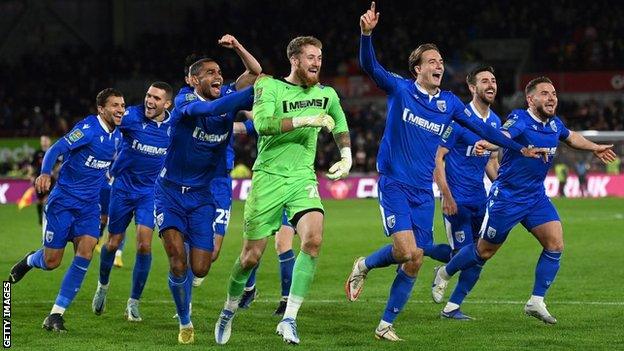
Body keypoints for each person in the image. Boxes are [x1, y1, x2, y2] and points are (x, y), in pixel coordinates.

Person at [344, 2, 544, 341]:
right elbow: (370, 66)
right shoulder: (401, 89)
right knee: (407, 250)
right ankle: (363, 266)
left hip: (423, 191)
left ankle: (385, 325)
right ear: (417, 69)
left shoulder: (449, 103)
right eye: (432, 61)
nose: (439, 65)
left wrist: (518, 147)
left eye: (440, 61)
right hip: (394, 182)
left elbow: (487, 132)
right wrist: (366, 34)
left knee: (415, 259)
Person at [431, 76, 617, 324]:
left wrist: (594, 147)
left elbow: (571, 137)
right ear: (531, 99)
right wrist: (486, 143)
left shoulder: (554, 125)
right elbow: (503, 134)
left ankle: (536, 301)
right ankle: (445, 271)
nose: (552, 98)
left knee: (555, 243)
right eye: (545, 93)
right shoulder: (520, 119)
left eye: (553, 93)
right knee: (484, 252)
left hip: (535, 197)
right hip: (507, 198)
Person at [214, 35, 352, 345]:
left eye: (319, 57)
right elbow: (263, 124)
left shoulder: (326, 93)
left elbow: (339, 124)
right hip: (267, 179)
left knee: (314, 239)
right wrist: (306, 119)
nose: (316, 62)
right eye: (310, 57)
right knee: (250, 257)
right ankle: (229, 309)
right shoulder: (269, 86)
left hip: (302, 178)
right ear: (295, 60)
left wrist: (347, 156)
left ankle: (289, 318)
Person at [156, 53, 256, 344]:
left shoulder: (225, 96)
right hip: (170, 192)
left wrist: (260, 92)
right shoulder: (185, 101)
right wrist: (249, 94)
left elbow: (252, 79)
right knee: (177, 259)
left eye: (220, 72)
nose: (218, 75)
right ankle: (184, 320)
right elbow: (220, 105)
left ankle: (238, 283)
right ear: (195, 80)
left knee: (201, 265)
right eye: (210, 72)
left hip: (203, 194)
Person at [8, 88, 125, 332]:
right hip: (63, 203)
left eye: (122, 105)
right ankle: (31, 260)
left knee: (85, 252)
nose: (120, 110)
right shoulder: (88, 129)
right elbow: (55, 149)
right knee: (51, 262)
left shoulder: (118, 135)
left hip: (89, 208)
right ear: (101, 109)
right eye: (114, 105)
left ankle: (56, 315)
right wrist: (44, 172)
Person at [91, 82, 174, 322]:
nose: (149, 101)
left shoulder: (174, 123)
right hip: (122, 190)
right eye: (148, 95)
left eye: (156, 98)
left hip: (149, 193)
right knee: (113, 242)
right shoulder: (131, 117)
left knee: (144, 246)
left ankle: (133, 303)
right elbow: (105, 122)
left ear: (167, 104)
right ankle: (102, 286)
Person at [432, 65, 501, 320]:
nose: (491, 85)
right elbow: (437, 158)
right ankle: (425, 255)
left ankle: (452, 308)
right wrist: (446, 195)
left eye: (493, 80)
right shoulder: (459, 119)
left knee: (479, 255)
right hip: (457, 199)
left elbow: (492, 163)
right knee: (462, 254)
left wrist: (502, 187)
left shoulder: (495, 122)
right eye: (484, 81)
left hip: (480, 199)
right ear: (472, 88)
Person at [30, 135, 52, 225]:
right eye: (42, 140)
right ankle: (40, 217)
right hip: (39, 179)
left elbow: (59, 164)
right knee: (40, 200)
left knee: (47, 199)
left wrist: (55, 172)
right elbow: (32, 165)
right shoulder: (37, 153)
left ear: (49, 141)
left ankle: (47, 218)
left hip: (51, 180)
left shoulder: (53, 151)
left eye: (46, 140)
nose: (44, 142)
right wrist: (31, 175)